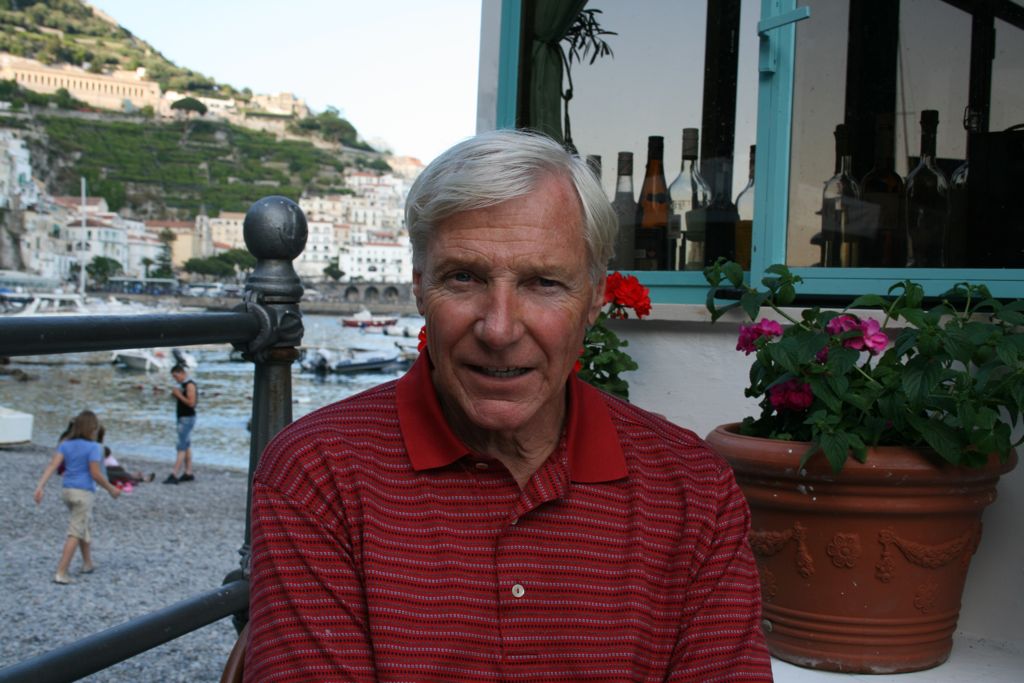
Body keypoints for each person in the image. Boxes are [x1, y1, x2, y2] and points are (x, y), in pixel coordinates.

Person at [244, 130, 772, 681]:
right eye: (464, 277)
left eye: (543, 282)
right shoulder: (318, 474)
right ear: (420, 286)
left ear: (595, 298)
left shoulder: (692, 488)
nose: (499, 329)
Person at [34, 410, 121, 584]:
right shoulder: (94, 447)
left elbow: (53, 465)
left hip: (67, 491)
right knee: (75, 531)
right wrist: (111, 489)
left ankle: (87, 563)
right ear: (92, 428)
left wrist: (40, 486)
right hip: (83, 493)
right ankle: (61, 572)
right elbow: (95, 474)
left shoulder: (65, 444)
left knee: (83, 524)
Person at [164, 363, 197, 484]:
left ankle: (174, 473)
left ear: (182, 373)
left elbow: (192, 403)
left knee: (181, 446)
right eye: (173, 376)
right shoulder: (182, 385)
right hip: (182, 417)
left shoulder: (190, 385)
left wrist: (178, 395)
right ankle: (188, 472)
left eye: (176, 376)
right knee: (186, 445)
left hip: (187, 418)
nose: (175, 379)